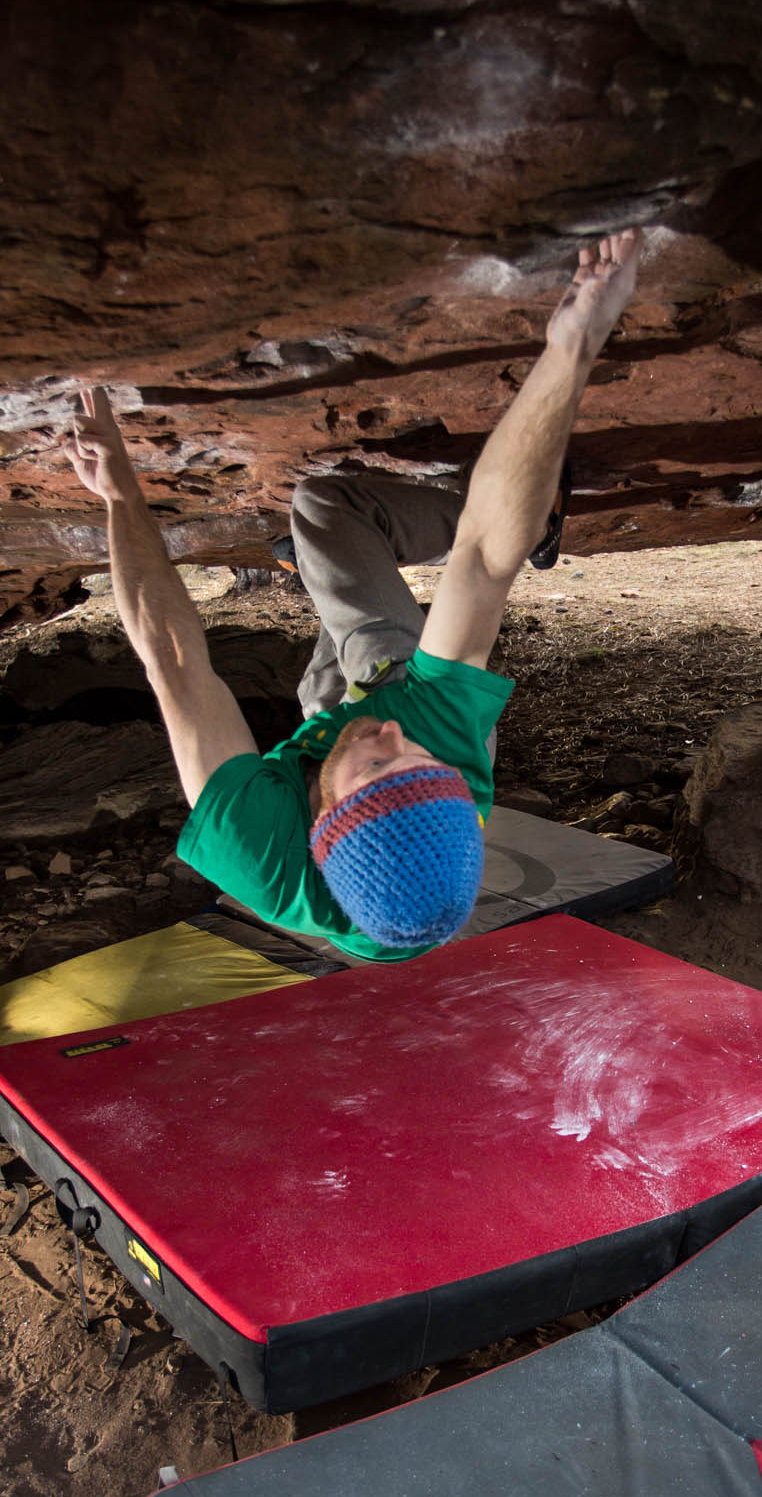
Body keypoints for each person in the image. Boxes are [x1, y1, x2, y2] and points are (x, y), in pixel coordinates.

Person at [65, 228, 641, 962]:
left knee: (325, 690)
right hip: (399, 686)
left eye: (379, 762)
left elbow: (174, 659)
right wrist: (573, 347)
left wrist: (119, 493)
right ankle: (508, 514)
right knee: (328, 515)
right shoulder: (441, 744)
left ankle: (327, 571)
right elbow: (482, 563)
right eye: (417, 763)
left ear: (318, 813)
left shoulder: (259, 850)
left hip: (332, 751)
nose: (395, 738)